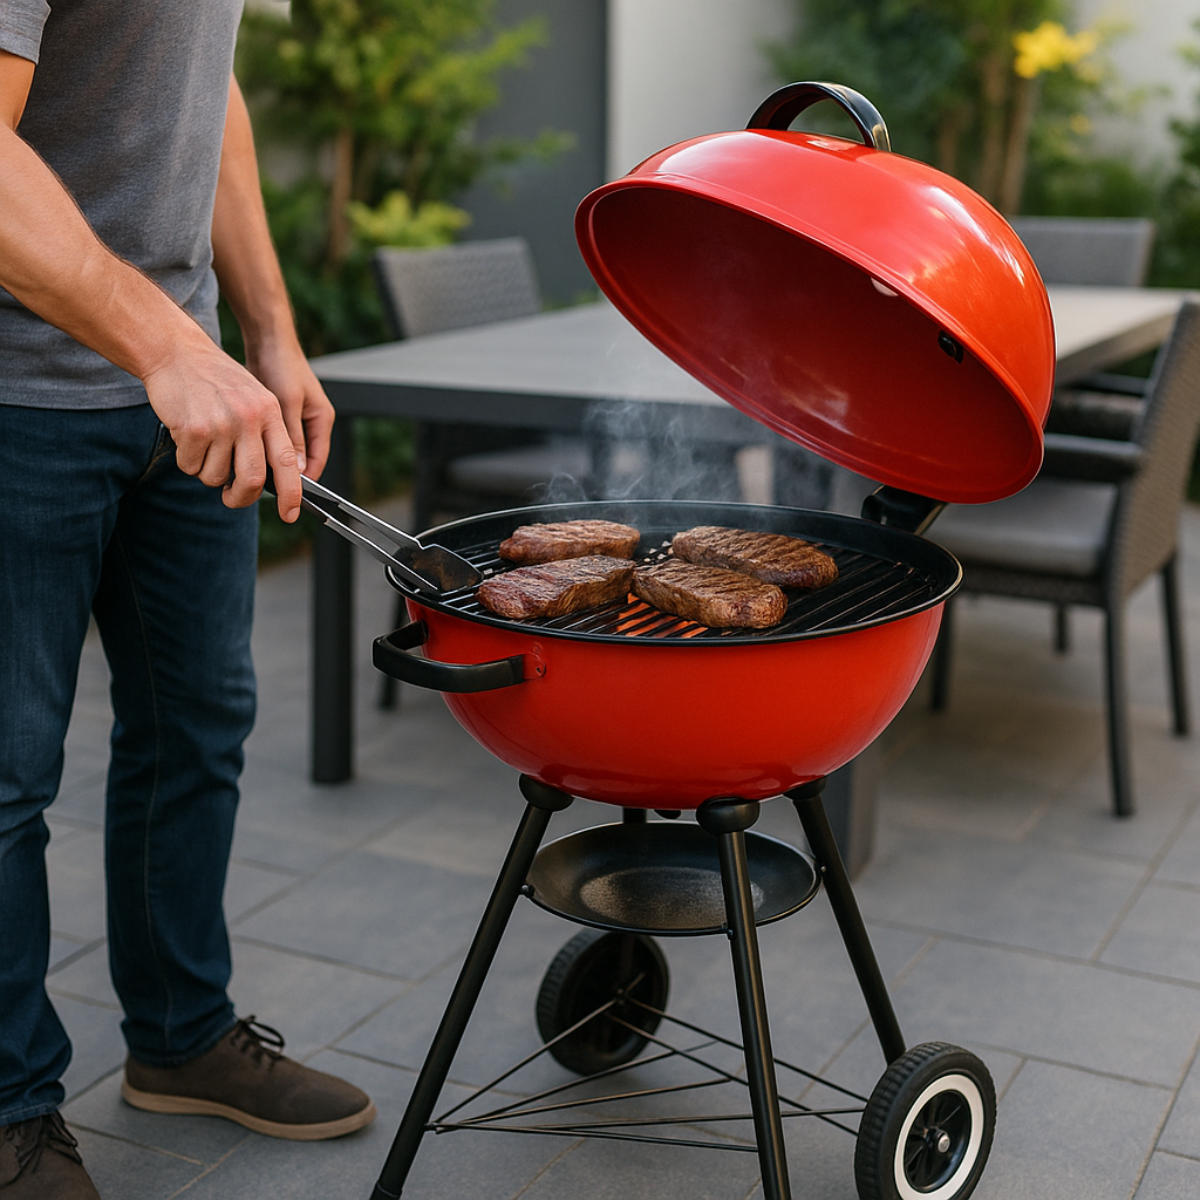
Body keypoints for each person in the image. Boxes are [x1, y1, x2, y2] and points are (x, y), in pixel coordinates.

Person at [0, 5, 375, 1197]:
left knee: (197, 726)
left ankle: (181, 1035)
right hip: (21, 402)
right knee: (6, 779)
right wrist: (170, 348)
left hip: (186, 395)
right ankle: (9, 1105)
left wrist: (266, 331)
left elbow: (201, 92)